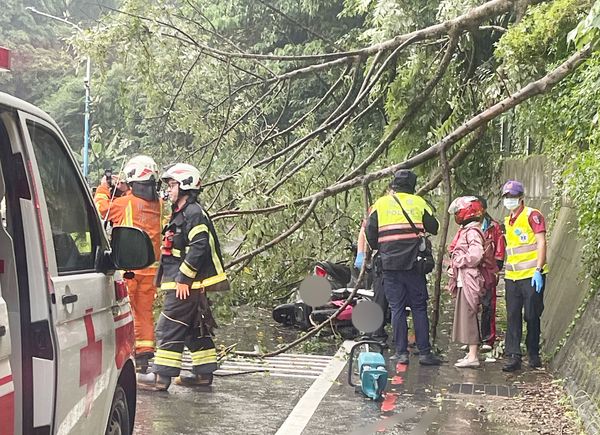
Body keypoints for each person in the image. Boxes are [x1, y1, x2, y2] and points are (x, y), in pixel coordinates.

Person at [138, 163, 228, 390]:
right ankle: (203, 374)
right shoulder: (183, 213)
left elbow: (199, 248)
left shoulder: (193, 213)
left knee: (168, 326)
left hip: (187, 284)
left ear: (186, 185)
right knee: (193, 327)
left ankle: (160, 378)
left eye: (172, 185)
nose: (169, 190)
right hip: (189, 283)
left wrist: (183, 279)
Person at [365, 169, 441, 366]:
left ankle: (401, 353)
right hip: (415, 265)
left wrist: (380, 248)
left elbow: (369, 230)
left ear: (393, 185)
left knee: (397, 308)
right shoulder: (419, 202)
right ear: (413, 186)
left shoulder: (380, 204)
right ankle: (424, 353)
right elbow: (434, 227)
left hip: (389, 264)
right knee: (419, 307)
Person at [94, 155, 162, 373]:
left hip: (130, 269)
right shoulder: (158, 204)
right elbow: (138, 205)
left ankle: (129, 351)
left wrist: (105, 188)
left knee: (128, 311)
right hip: (152, 269)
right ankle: (144, 353)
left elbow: (101, 208)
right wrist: (124, 188)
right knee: (144, 311)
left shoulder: (125, 203)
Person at [501, 180, 548, 372]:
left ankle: (533, 352)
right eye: (506, 197)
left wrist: (538, 270)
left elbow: (541, 243)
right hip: (512, 277)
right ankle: (514, 355)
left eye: (512, 197)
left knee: (531, 314)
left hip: (531, 275)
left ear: (521, 198)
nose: (509, 200)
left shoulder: (532, 215)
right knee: (512, 315)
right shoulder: (508, 220)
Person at [447, 196, 486, 368]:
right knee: (466, 314)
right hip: (465, 279)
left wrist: (460, 260)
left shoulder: (472, 232)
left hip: (469, 278)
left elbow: (476, 254)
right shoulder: (469, 230)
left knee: (470, 315)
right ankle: (470, 354)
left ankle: (473, 356)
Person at [477, 196, 505, 350]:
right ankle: (472, 338)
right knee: (471, 305)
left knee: (488, 305)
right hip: (472, 271)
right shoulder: (467, 226)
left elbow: (500, 252)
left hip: (488, 271)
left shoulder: (494, 227)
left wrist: (496, 270)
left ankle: (488, 339)